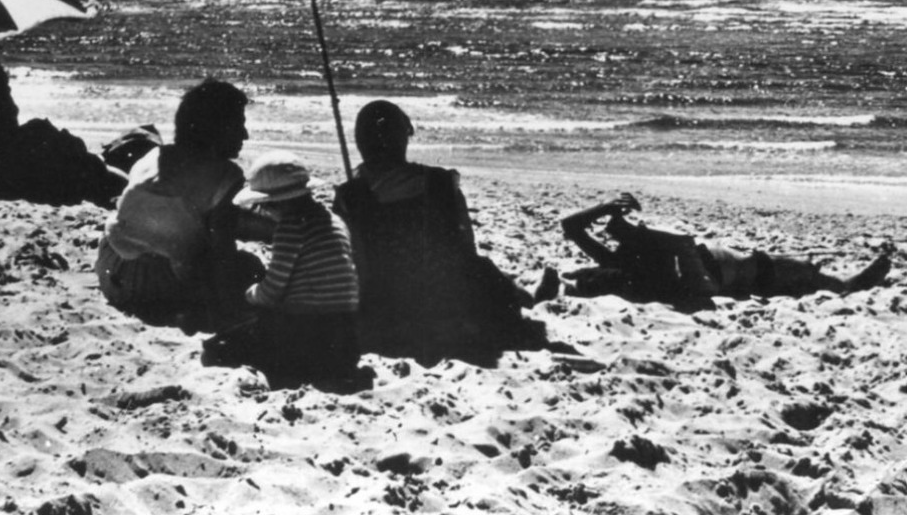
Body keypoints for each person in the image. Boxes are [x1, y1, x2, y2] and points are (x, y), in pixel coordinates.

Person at [333, 100, 545, 365]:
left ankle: (527, 295)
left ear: (361, 142)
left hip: (387, 308)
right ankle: (525, 296)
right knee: (487, 273)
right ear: (402, 139)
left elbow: (353, 264)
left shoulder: (349, 196)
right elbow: (466, 248)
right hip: (447, 301)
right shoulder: (442, 183)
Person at [95, 79, 270, 330]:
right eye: (239, 125)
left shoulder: (154, 155)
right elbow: (222, 250)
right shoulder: (226, 175)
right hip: (157, 285)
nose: (245, 134)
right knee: (248, 267)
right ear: (217, 129)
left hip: (113, 270)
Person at [555, 193, 893, 308]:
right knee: (787, 270)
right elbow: (683, 243)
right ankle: (846, 284)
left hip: (719, 266)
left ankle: (835, 281)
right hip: (723, 274)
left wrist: (606, 207)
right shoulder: (625, 259)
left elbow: (570, 226)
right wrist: (629, 225)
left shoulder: (624, 254)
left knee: (787, 270)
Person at [201, 152, 362, 387]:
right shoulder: (335, 221)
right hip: (345, 336)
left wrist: (250, 293)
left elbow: (272, 291)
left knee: (223, 346)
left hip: (306, 335)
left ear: (275, 203)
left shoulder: (290, 228)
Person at [0, 49, 125, 205]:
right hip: (0, 172)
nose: (7, 89)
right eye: (5, 85)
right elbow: (5, 143)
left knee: (47, 135)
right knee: (68, 154)